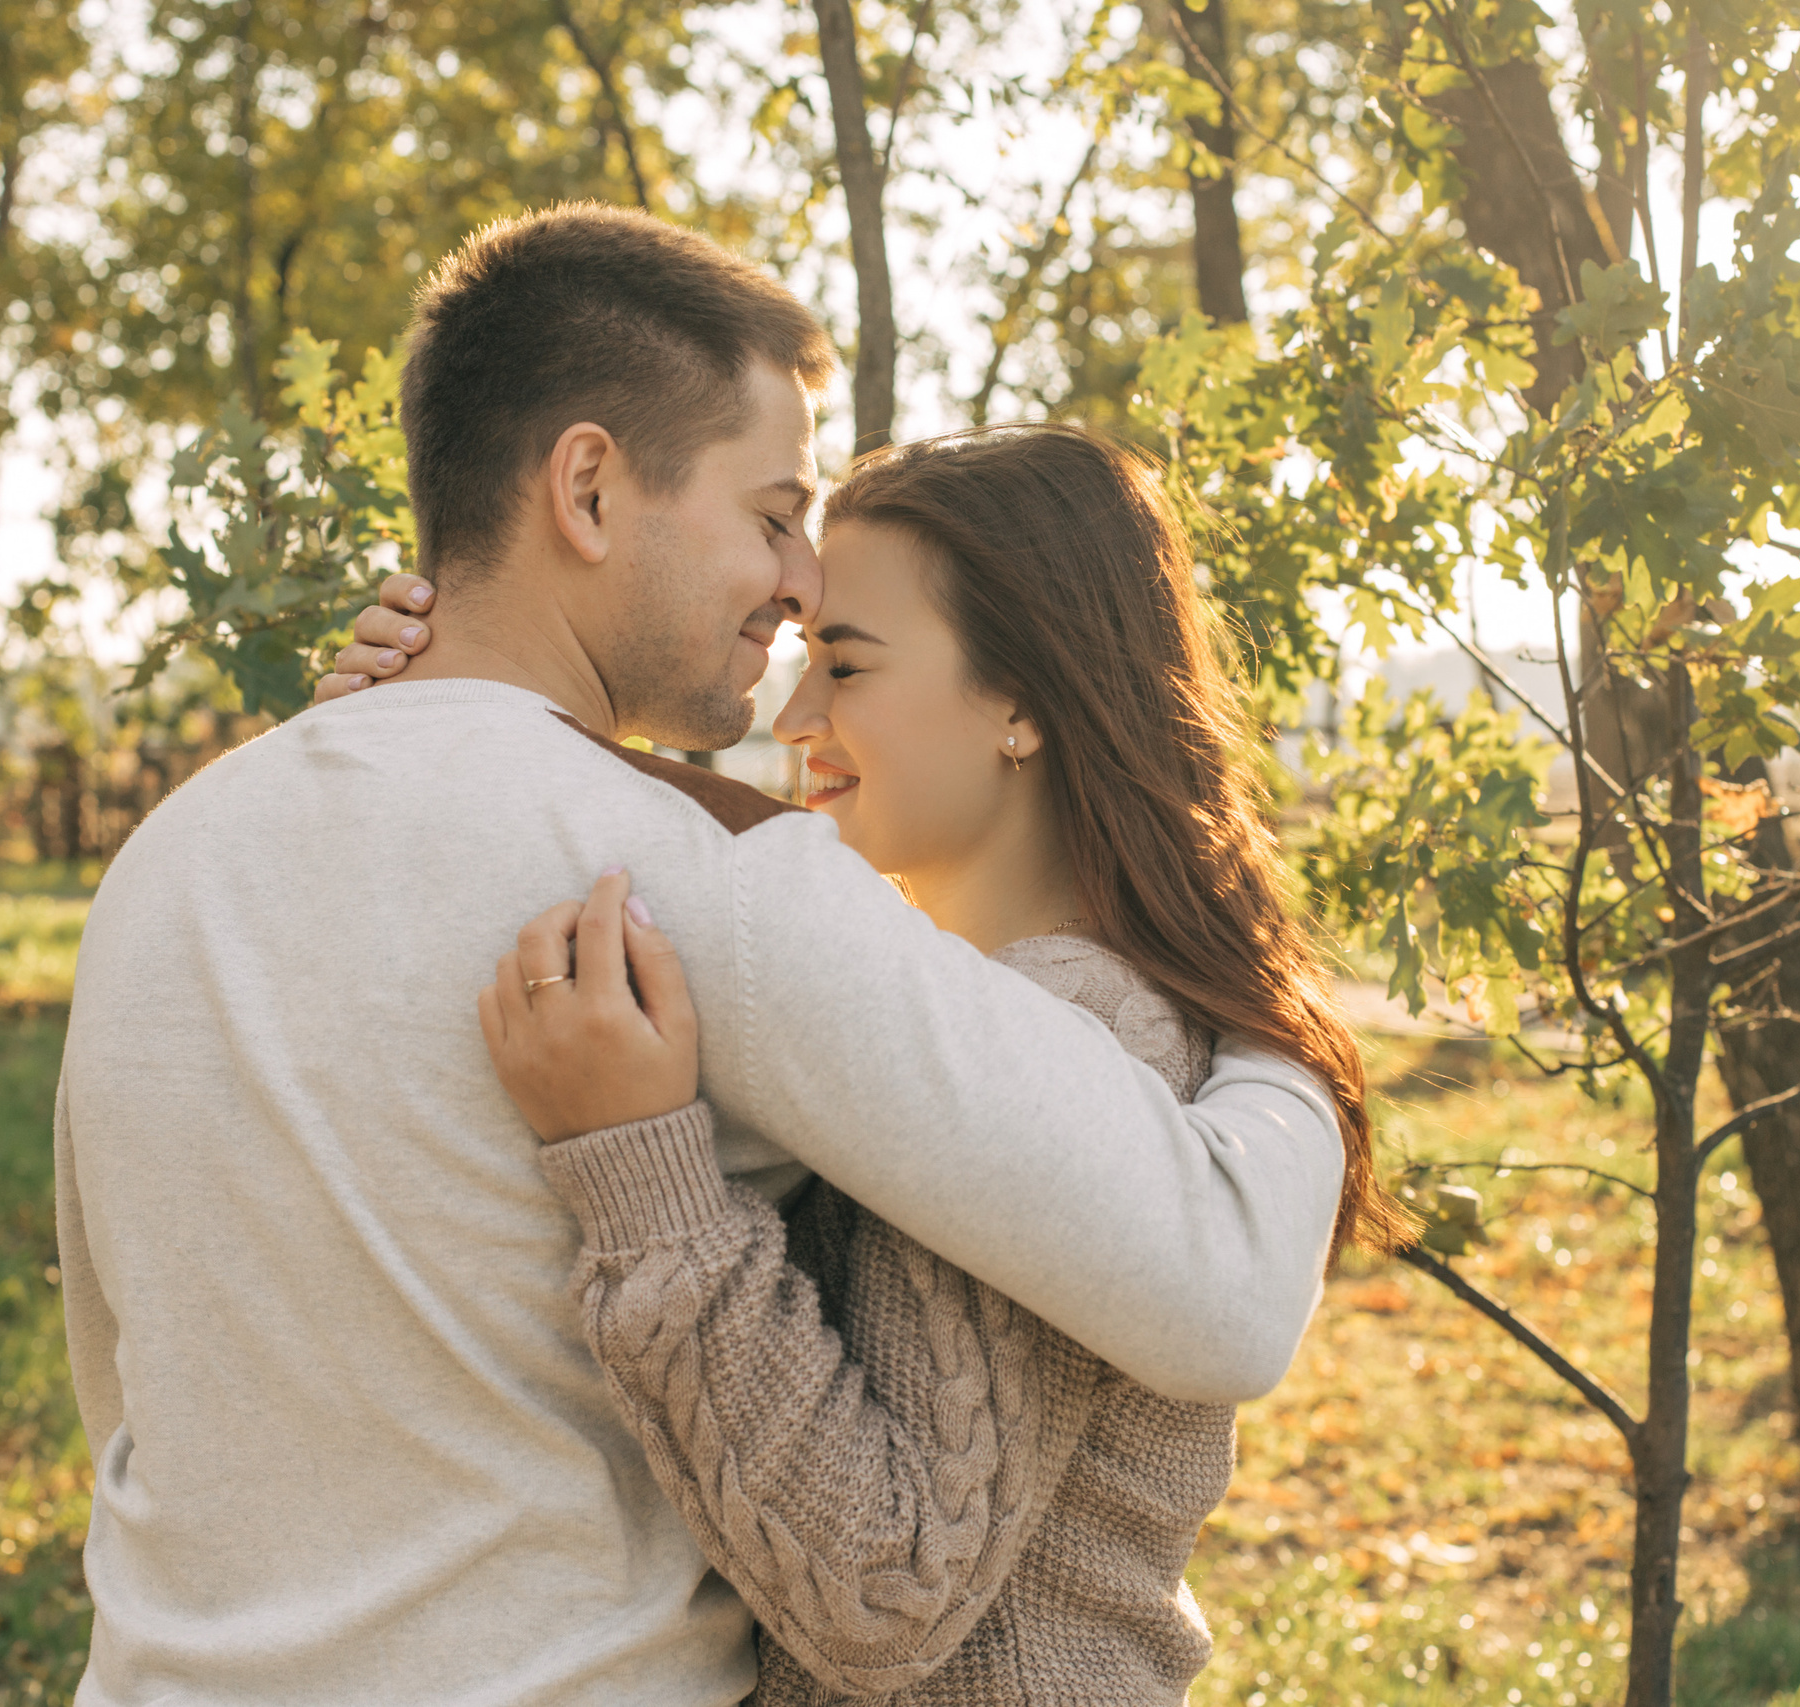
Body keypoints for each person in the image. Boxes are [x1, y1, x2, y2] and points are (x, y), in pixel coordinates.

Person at [57, 203, 1346, 1707]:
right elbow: (1225, 1286)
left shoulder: (168, 858)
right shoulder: (697, 885)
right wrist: (1278, 1026)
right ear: (591, 488)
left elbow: (123, 1380)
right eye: (771, 512)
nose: (799, 581)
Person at [433, 424, 1410, 1704]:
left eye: (846, 665)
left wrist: (645, 1182)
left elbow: (881, 1589)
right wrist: (452, 728)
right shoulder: (991, 1004)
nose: (794, 715)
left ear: (1021, 702)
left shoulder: (1062, 1028)